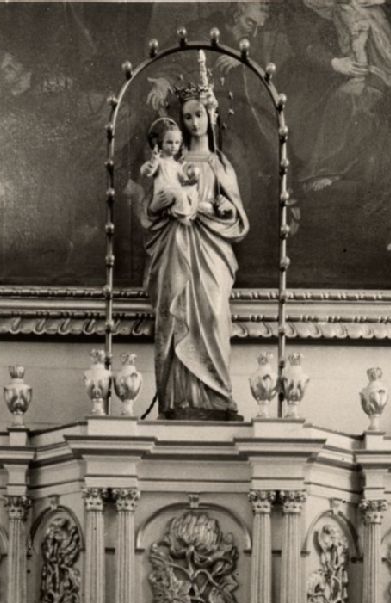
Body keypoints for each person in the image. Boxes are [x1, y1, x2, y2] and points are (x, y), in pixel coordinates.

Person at [138, 52, 248, 421]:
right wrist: (161, 203)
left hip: (212, 249)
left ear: (210, 116)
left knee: (213, 315)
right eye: (187, 116)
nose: (194, 122)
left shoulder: (219, 164)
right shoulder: (172, 162)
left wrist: (219, 208)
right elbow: (150, 210)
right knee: (177, 314)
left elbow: (235, 213)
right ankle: (179, 398)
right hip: (178, 244)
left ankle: (216, 396)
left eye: (199, 114)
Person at [144, 118, 199, 222]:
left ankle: (185, 213)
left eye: (177, 143)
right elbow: (150, 170)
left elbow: (183, 180)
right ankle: (174, 212)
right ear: (161, 143)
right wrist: (152, 161)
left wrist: (191, 178)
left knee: (191, 191)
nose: (174, 146)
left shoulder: (177, 164)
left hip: (175, 192)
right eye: (169, 142)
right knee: (181, 195)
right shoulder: (160, 161)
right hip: (164, 193)